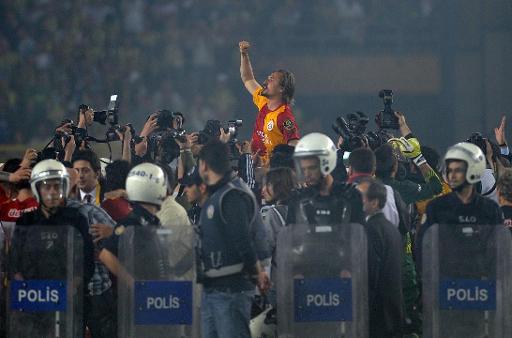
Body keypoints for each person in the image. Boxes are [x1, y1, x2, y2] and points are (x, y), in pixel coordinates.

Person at [10, 159, 95, 338]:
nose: (52, 192)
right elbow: (14, 262)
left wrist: (72, 288)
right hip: (34, 297)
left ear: (64, 188)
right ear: (37, 189)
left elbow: (87, 260)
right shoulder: (26, 221)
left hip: (69, 297)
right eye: (47, 187)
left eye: (57, 187)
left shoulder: (76, 219)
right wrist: (26, 290)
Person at [196, 140, 270, 338]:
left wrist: (256, 272)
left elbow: (242, 239)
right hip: (214, 287)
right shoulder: (220, 193)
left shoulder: (232, 194)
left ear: (203, 164)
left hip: (231, 289)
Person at [415, 142, 503, 271]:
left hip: (481, 280)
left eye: (459, 170)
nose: (453, 176)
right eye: (450, 170)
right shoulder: (436, 207)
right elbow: (423, 245)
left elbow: (499, 247)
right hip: (446, 277)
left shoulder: (490, 209)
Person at [356, 177, 404, 338]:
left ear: (374, 202)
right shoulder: (390, 228)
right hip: (392, 310)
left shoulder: (371, 229)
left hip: (377, 314)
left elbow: (371, 273)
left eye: (361, 196)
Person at [239, 41, 300, 165]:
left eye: (272, 79)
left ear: (282, 88)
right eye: (268, 77)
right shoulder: (263, 102)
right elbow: (248, 78)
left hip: (269, 174)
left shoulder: (284, 117)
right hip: (254, 167)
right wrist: (244, 55)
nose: (266, 81)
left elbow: (294, 146)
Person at [286, 132, 365, 225]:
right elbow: (291, 234)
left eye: (312, 168)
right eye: (303, 169)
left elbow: (360, 233)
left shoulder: (350, 195)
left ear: (327, 164)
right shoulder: (298, 199)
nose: (306, 174)